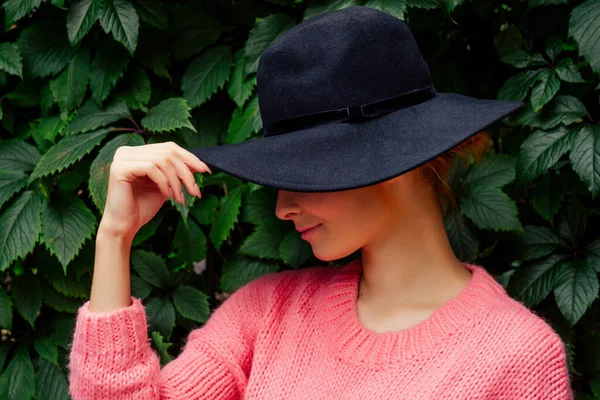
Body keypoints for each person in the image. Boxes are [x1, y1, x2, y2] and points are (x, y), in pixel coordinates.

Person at [67, 6, 574, 400]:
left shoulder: (516, 358)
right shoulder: (265, 314)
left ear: (391, 163)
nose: (283, 207)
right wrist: (115, 237)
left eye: (305, 175)